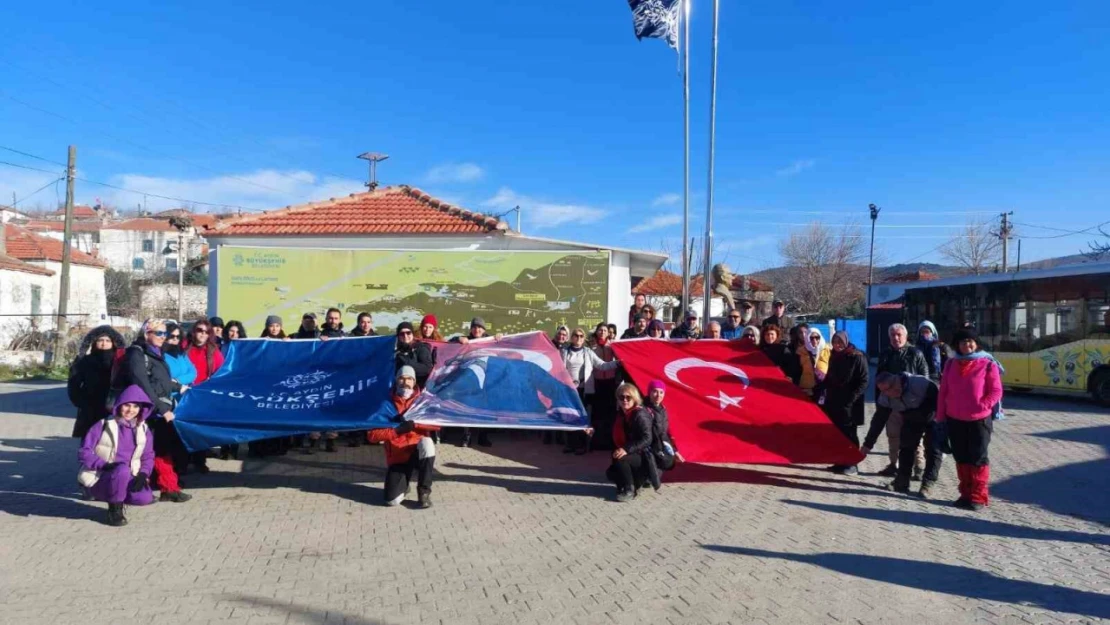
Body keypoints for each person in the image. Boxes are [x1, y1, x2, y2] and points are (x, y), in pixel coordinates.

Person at [117, 319, 191, 503]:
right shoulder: (136, 353)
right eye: (159, 333)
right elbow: (142, 383)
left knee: (161, 448)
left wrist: (179, 387)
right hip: (145, 412)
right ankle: (136, 489)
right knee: (141, 451)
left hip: (158, 411)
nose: (163, 337)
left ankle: (169, 487)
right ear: (146, 333)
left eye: (164, 334)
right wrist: (162, 409)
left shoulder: (157, 353)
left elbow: (160, 380)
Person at [937, 327, 1004, 511]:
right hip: (954, 419)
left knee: (977, 458)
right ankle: (965, 494)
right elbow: (943, 392)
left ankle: (978, 496)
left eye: (970, 341)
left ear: (976, 343)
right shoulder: (950, 364)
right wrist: (940, 417)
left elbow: (996, 390)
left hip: (978, 421)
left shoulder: (987, 363)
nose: (967, 344)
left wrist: (983, 405)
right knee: (961, 457)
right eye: (963, 341)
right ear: (957, 345)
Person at [77, 385, 157, 526]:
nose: (130, 410)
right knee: (121, 470)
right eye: (127, 405)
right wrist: (104, 464)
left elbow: (148, 456)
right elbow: (84, 451)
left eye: (135, 406)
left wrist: (144, 474)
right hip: (102, 475)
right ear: (119, 405)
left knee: (144, 498)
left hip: (128, 475)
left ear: (141, 409)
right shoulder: (103, 425)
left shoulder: (143, 429)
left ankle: (118, 495)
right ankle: (114, 509)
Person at [367, 366, 439, 508]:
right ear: (396, 380)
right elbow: (372, 435)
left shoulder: (422, 400)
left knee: (427, 443)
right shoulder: (385, 403)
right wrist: (397, 430)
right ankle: (404, 485)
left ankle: (424, 492)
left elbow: (437, 424)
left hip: (418, 451)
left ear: (414, 382)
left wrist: (415, 425)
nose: (405, 382)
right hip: (398, 455)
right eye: (402, 378)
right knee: (391, 501)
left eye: (409, 379)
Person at [863, 372, 943, 498]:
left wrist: (913, 415)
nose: (886, 394)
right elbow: (879, 420)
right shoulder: (885, 396)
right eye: (882, 391)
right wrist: (868, 444)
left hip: (933, 416)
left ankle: (927, 484)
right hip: (910, 416)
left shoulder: (920, 384)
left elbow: (937, 404)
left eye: (887, 390)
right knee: (906, 447)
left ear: (896, 384)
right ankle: (902, 482)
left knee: (933, 449)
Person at [870, 323, 929, 477]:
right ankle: (893, 464)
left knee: (916, 438)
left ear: (906, 336)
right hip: (891, 403)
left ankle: (919, 467)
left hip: (912, 404)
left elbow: (925, 379)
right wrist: (879, 402)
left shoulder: (916, 353)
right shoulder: (885, 354)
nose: (896, 338)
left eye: (899, 335)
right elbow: (878, 379)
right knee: (893, 436)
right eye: (892, 335)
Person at [560, 328, 621, 454]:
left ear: (584, 338)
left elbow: (602, 365)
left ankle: (581, 445)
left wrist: (619, 363)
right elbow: (558, 369)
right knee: (569, 416)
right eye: (576, 335)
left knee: (583, 417)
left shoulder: (588, 352)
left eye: (581, 336)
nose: (578, 338)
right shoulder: (564, 351)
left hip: (584, 389)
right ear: (571, 337)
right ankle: (570, 444)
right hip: (569, 389)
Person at [68, 325, 127, 440]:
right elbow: (73, 384)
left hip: (114, 406)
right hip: (90, 407)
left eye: (107, 340)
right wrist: (81, 402)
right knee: (90, 441)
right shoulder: (85, 360)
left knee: (112, 441)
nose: (104, 343)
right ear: (94, 342)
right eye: (100, 340)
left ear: (113, 342)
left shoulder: (121, 360)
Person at [821, 331, 868, 475]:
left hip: (850, 404)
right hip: (834, 402)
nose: (837, 345)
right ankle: (840, 461)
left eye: (840, 342)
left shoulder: (857, 356)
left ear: (846, 342)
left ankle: (852, 463)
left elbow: (864, 380)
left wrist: (851, 399)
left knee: (850, 433)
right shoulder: (834, 356)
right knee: (838, 433)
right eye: (835, 342)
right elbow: (829, 378)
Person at [184, 320, 225, 469]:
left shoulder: (213, 351)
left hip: (203, 395)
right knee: (184, 428)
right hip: (185, 394)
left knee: (200, 430)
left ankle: (200, 460)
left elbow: (221, 373)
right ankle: (184, 460)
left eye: (206, 331)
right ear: (194, 332)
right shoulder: (184, 347)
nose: (203, 334)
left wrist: (211, 383)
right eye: (200, 330)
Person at [605, 383, 657, 502]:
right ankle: (629, 483)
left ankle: (630, 489)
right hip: (631, 453)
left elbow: (647, 438)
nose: (625, 400)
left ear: (635, 399)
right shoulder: (621, 414)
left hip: (642, 455)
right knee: (611, 473)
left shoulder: (640, 414)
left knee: (620, 458)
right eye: (621, 397)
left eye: (628, 397)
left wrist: (626, 449)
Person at [588, 323, 619, 450]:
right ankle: (596, 442)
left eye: (605, 330)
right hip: (597, 382)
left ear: (608, 333)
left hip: (610, 382)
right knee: (597, 413)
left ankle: (610, 441)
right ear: (597, 332)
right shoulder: (591, 346)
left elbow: (620, 359)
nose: (602, 332)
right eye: (600, 330)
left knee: (610, 413)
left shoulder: (612, 345)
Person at [643, 380, 685, 473]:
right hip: (647, 446)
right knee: (664, 462)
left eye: (661, 392)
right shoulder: (643, 409)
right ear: (649, 392)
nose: (658, 395)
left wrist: (674, 451)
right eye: (655, 391)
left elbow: (664, 433)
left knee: (669, 462)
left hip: (659, 445)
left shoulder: (662, 410)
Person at [395, 322, 434, 388]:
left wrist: (407, 362)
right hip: (398, 385)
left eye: (408, 333)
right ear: (398, 336)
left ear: (412, 334)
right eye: (401, 334)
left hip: (418, 385)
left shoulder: (421, 348)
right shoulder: (395, 349)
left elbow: (427, 369)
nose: (405, 336)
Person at [802, 328, 831, 398]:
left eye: (817, 337)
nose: (814, 340)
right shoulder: (802, 351)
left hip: (823, 386)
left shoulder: (827, 350)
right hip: (807, 387)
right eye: (811, 338)